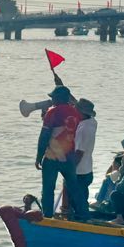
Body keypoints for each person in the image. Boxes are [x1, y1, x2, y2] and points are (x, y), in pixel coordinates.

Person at [36, 85, 83, 218]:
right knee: (74, 187)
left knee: (48, 189)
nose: (52, 100)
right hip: (70, 157)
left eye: (53, 97)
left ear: (58, 98)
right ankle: (83, 215)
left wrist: (38, 157)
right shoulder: (76, 112)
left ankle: (47, 216)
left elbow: (44, 135)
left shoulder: (52, 112)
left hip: (52, 157)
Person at [72, 98, 98, 220]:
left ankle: (82, 219)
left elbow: (79, 152)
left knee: (77, 199)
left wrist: (70, 169)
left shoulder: (83, 129)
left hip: (79, 171)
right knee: (83, 195)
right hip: (88, 169)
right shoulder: (92, 122)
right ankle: (82, 216)